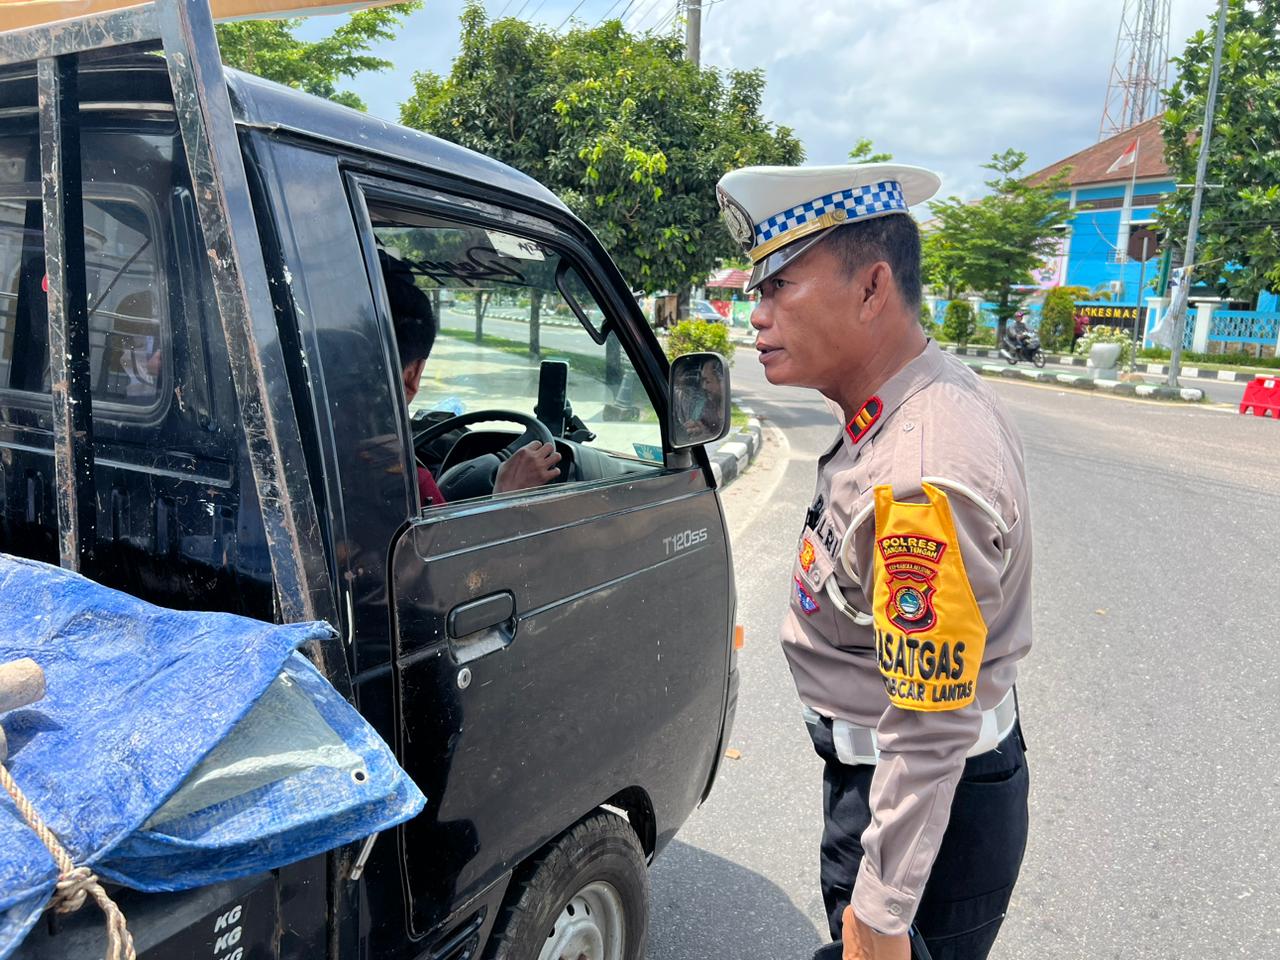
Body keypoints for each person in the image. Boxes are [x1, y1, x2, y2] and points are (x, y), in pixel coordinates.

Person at [715, 164, 1033, 960]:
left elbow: (930, 723)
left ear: (871, 287)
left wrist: (881, 913)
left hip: (923, 813)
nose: (756, 316)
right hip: (897, 789)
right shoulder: (891, 405)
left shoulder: (920, 470)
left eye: (779, 286)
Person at [380, 249, 560, 505]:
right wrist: (506, 495)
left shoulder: (325, 449)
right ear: (412, 375)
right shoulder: (405, 483)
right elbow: (450, 545)